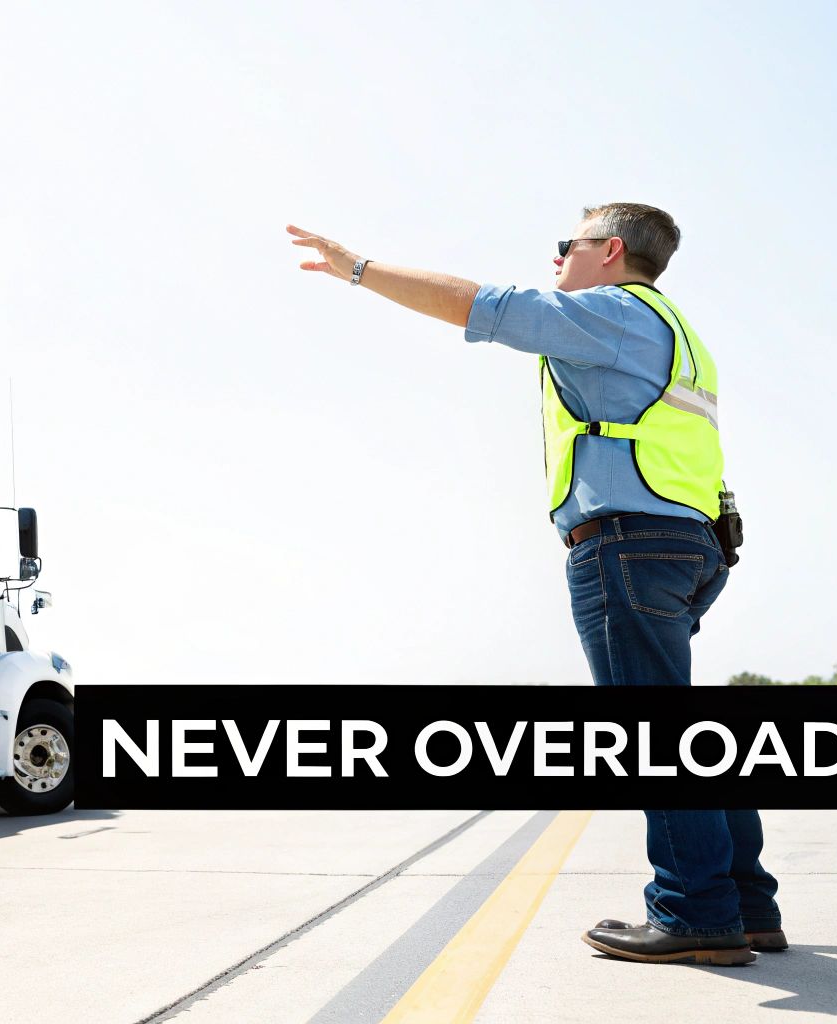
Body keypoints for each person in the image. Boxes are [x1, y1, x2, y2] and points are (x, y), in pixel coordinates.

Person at [288, 204, 782, 966]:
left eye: (567, 245)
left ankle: (695, 911)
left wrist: (358, 268)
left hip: (627, 545)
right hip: (691, 545)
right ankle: (746, 905)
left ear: (609, 250)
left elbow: (477, 305)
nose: (557, 259)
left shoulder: (609, 312)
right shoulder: (678, 331)